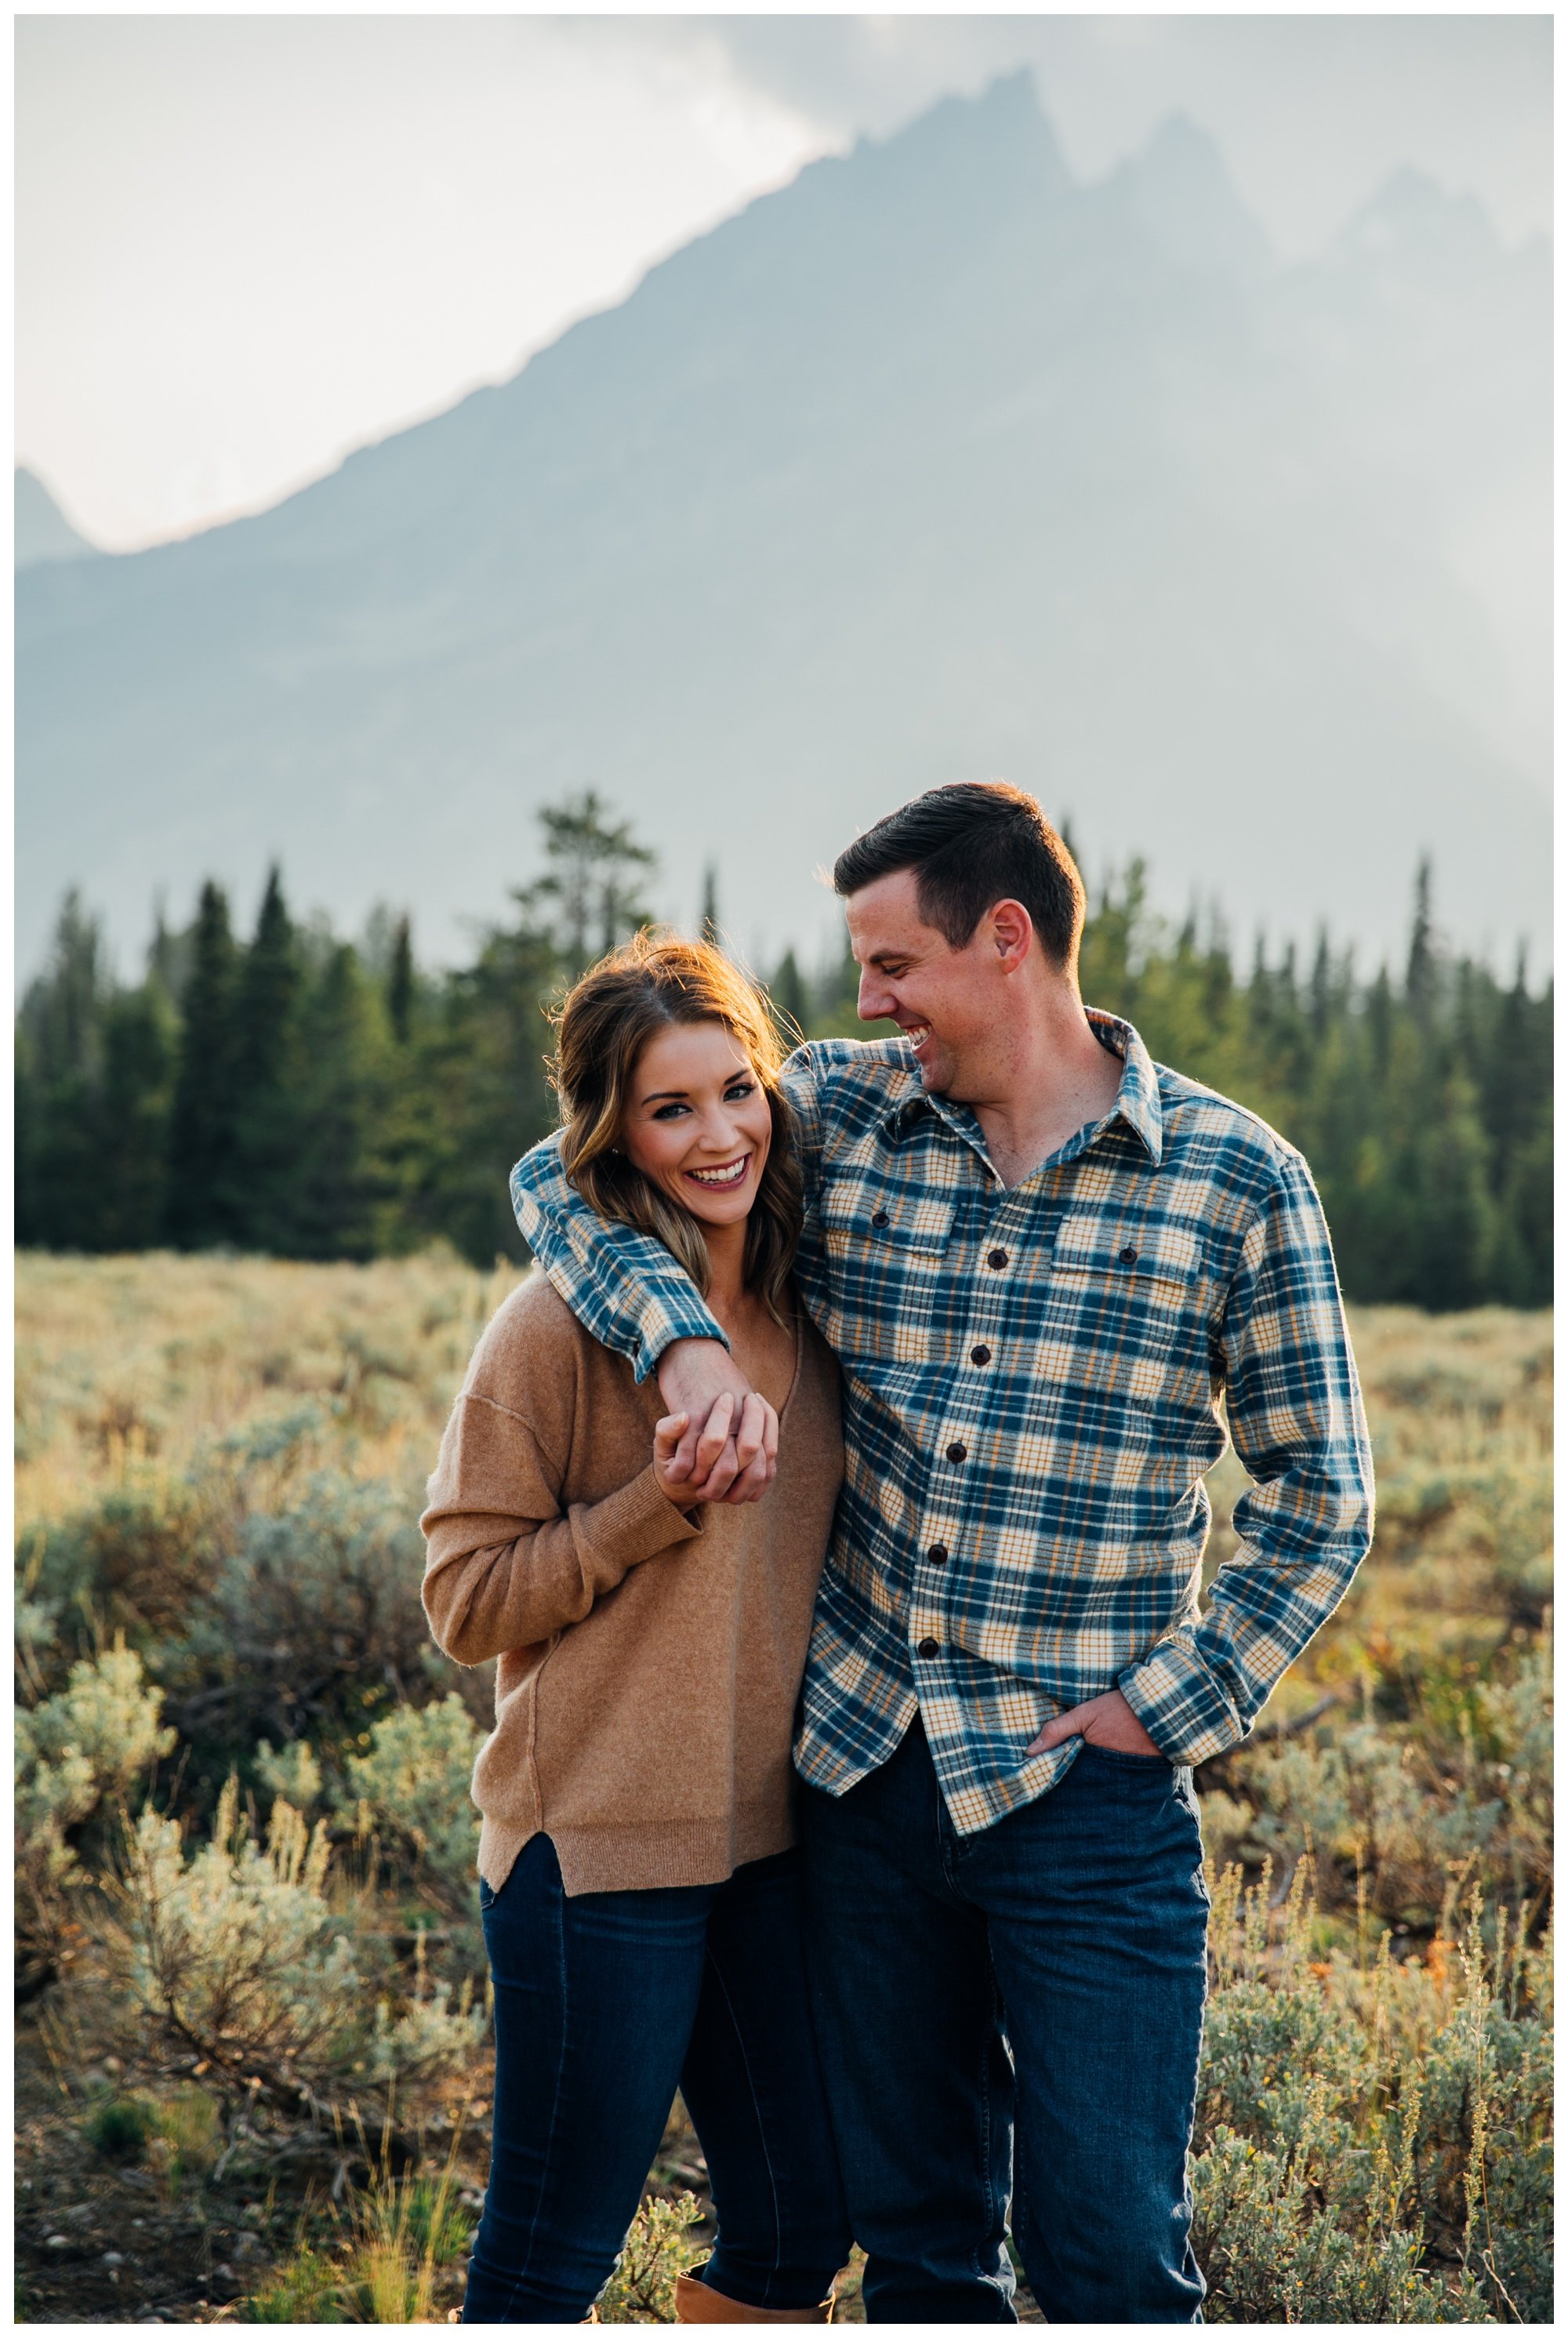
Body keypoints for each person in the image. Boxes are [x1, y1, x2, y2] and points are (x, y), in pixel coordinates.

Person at [510, 782, 1377, 2324]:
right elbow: (562, 1176)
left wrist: (1159, 1712)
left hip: (1084, 1803)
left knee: (1109, 2256)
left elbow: (1322, 1494)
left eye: (891, 964)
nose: (865, 1001)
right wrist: (685, 1347)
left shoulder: (1238, 1184)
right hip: (857, 1786)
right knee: (917, 2246)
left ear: (1003, 940)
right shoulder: (839, 1113)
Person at [422, 934, 852, 2326]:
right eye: (672, 1109)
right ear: (616, 1136)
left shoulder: (808, 1306)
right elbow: (464, 1601)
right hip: (593, 1851)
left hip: (766, 1845)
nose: (720, 1134)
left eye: (738, 1089)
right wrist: (645, 1504)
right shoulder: (549, 1333)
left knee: (802, 2222)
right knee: (551, 2257)